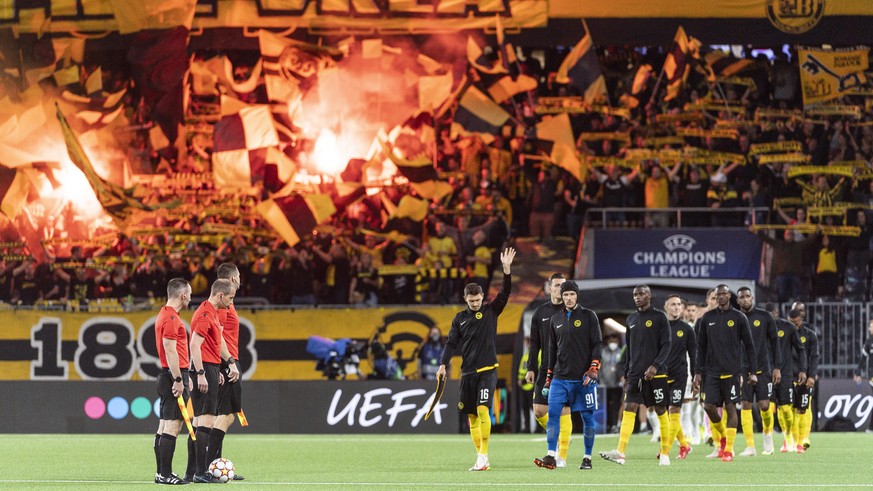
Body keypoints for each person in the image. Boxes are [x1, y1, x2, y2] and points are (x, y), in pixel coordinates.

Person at [437, 247, 516, 472]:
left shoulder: (492, 311)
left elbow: (506, 292)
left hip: (488, 370)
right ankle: (481, 458)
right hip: (467, 372)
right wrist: (443, 364)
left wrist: (506, 270)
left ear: (483, 297)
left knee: (483, 410)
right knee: (471, 417)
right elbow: (451, 343)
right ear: (465, 299)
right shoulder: (459, 318)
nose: (475, 303)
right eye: (471, 301)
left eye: (478, 300)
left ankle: (483, 455)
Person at [600, 285, 672, 466]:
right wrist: (626, 374)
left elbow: (666, 345)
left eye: (641, 294)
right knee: (629, 407)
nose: (638, 297)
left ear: (649, 295)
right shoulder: (631, 319)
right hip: (634, 375)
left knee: (661, 410)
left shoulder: (659, 317)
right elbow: (629, 350)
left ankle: (664, 453)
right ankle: (620, 452)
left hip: (657, 375)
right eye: (635, 295)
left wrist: (655, 366)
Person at [534, 280, 602, 471]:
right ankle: (551, 455)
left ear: (577, 296)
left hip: (584, 380)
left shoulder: (589, 316)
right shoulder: (555, 319)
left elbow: (597, 344)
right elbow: (551, 351)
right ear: (561, 297)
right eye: (565, 295)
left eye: (572, 294)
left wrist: (594, 368)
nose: (569, 298)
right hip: (560, 379)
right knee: (553, 414)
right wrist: (548, 378)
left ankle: (587, 457)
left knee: (588, 418)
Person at [693, 284, 757, 463]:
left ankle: (728, 450)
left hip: (732, 372)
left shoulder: (739, 317)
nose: (720, 297)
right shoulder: (706, 318)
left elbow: (750, 346)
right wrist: (698, 373)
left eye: (723, 294)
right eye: (717, 294)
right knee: (709, 407)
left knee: (730, 408)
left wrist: (752, 371)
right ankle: (723, 438)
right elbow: (701, 348)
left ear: (729, 296)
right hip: (711, 373)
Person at [189, 279, 241, 483]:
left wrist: (221, 365)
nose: (230, 303)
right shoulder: (205, 314)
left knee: (203, 421)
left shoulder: (210, 312)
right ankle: (199, 472)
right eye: (230, 298)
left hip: (211, 367)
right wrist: (201, 372)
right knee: (204, 421)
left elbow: (214, 343)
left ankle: (196, 471)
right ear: (220, 295)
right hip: (204, 369)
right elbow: (194, 345)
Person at [524, 273, 572, 466]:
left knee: (563, 410)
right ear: (549, 288)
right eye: (557, 285)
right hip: (546, 368)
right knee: (539, 411)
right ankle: (560, 437)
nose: (560, 289)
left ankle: (562, 456)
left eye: (563, 286)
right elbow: (534, 343)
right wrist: (531, 367)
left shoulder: (573, 312)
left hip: (567, 368)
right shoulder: (540, 312)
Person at [152, 278, 192, 485]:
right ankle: (164, 474)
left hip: (168, 374)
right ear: (183, 295)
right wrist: (179, 379)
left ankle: (162, 473)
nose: (191, 298)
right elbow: (170, 350)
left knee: (163, 426)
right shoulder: (171, 319)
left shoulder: (164, 314)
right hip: (173, 375)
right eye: (190, 294)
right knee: (173, 426)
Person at [209, 264, 245, 480]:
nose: (240, 279)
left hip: (227, 359)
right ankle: (212, 465)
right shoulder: (224, 305)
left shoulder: (226, 302)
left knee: (223, 414)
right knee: (225, 415)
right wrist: (229, 362)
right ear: (233, 278)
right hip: (227, 360)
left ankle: (212, 464)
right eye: (239, 276)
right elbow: (218, 334)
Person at [736, 287, 782, 457]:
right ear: (738, 300)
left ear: (752, 298)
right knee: (746, 405)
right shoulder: (735, 319)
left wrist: (777, 367)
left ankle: (767, 435)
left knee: (764, 405)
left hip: (763, 369)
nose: (745, 299)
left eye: (748, 296)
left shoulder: (765, 317)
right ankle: (750, 446)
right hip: (743, 370)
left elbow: (775, 343)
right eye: (742, 297)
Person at [768, 304, 807, 453]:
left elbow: (801, 349)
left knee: (785, 409)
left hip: (785, 375)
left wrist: (803, 370)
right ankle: (772, 441)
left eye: (772, 314)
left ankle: (788, 436)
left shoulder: (788, 328)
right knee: (769, 409)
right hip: (767, 375)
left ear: (777, 313)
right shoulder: (761, 329)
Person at [663, 294, 697, 460]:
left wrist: (696, 375)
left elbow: (693, 354)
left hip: (680, 375)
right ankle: (684, 445)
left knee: (675, 409)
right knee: (664, 414)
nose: (676, 307)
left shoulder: (687, 329)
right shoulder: (659, 328)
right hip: (661, 375)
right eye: (673, 304)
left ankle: (666, 450)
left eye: (678, 305)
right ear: (666, 307)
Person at [789, 307, 819, 453]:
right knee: (791, 410)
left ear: (801, 320)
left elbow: (814, 357)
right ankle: (795, 441)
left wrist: (812, 375)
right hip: (788, 377)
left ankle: (804, 439)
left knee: (804, 408)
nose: (794, 325)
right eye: (791, 323)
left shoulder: (810, 335)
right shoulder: (783, 334)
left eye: (796, 323)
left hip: (805, 378)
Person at [600, 332, 625, 433]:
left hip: (616, 385)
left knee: (615, 406)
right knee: (604, 407)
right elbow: (599, 369)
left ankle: (614, 425)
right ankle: (606, 425)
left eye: (615, 341)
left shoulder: (621, 351)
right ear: (607, 341)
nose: (613, 343)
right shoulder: (603, 352)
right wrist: (600, 382)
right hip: (604, 384)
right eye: (611, 341)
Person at [853, 319, 873, 432]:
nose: (870, 328)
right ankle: (871, 427)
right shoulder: (869, 342)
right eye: (870, 326)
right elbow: (862, 359)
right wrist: (858, 372)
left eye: (871, 326)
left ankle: (871, 427)